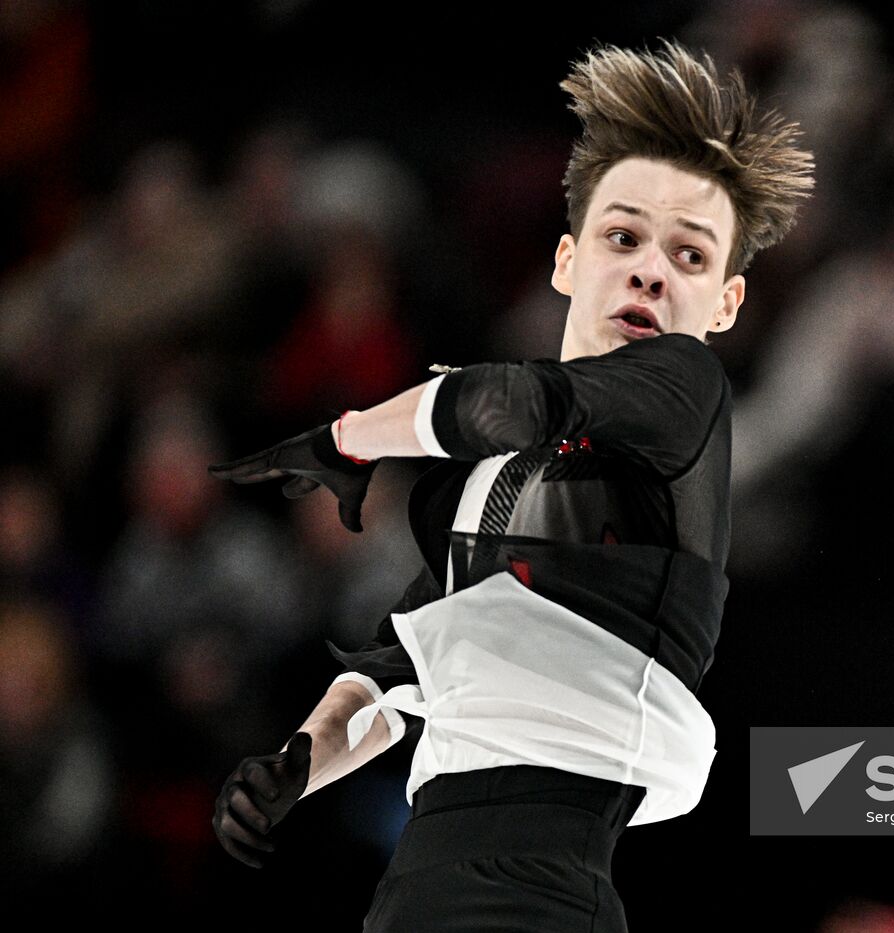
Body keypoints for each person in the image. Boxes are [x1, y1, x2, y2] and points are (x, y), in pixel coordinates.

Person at [208, 37, 814, 932]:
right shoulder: (492, 483)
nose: (650, 269)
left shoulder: (687, 391)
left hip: (538, 888)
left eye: (690, 257)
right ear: (567, 261)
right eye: (623, 237)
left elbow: (503, 402)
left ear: (724, 304)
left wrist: (346, 440)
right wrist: (300, 760)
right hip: (414, 886)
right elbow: (398, 666)